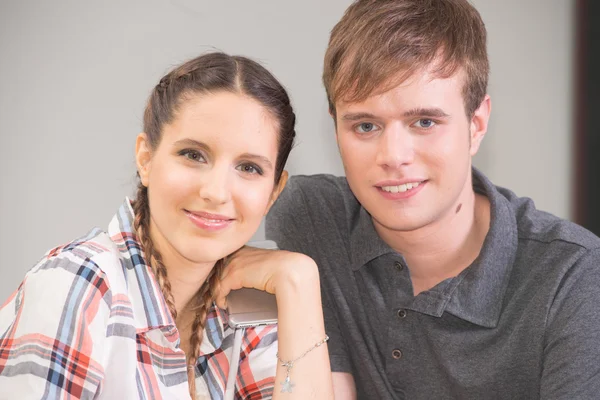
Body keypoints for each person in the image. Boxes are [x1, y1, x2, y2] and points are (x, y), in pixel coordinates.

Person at [265, 1, 600, 399]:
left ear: (476, 124)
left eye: (424, 122)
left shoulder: (573, 276)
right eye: (365, 125)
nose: (393, 155)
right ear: (335, 127)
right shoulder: (308, 217)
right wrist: (294, 280)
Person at [0, 52, 333, 400]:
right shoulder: (78, 287)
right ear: (146, 159)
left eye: (249, 167)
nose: (216, 192)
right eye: (193, 154)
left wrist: (300, 282)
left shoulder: (248, 309)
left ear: (273, 192)